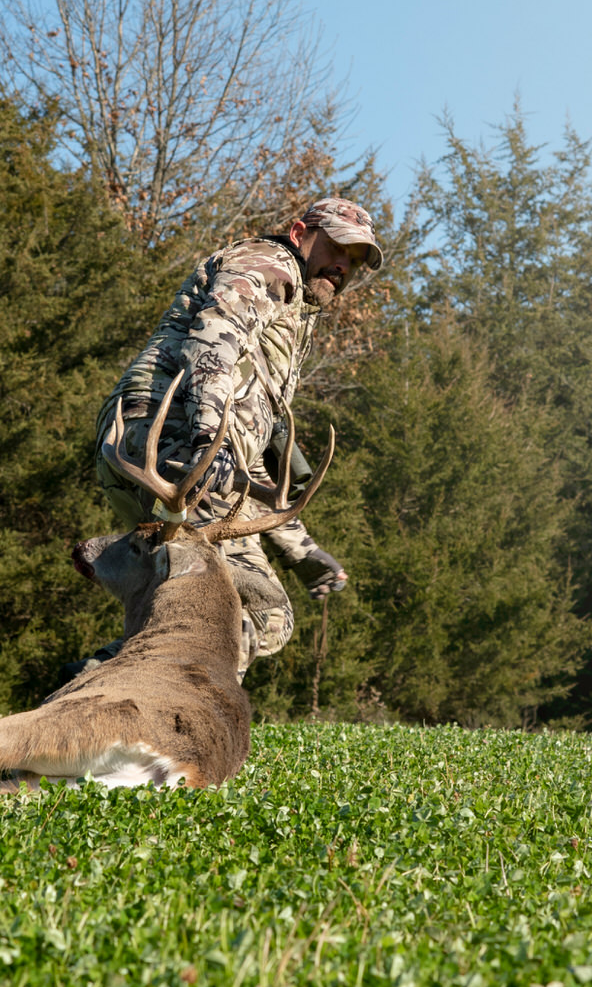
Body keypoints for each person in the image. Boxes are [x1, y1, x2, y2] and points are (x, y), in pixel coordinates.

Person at [85, 197, 383, 680]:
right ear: (299, 232)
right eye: (336, 247)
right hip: (177, 445)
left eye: (355, 260)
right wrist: (209, 439)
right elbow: (213, 337)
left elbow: (249, 464)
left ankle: (102, 682)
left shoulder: (294, 309)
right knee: (260, 611)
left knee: (207, 605)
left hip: (170, 452)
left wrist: (299, 549)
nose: (343, 265)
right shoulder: (271, 267)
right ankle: (145, 715)